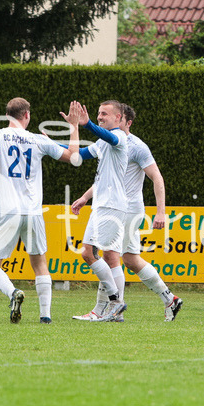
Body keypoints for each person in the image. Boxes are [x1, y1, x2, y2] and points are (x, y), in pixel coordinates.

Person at [0, 98, 80, 324]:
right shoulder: (38, 139)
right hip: (32, 212)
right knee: (39, 263)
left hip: (7, 210)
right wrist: (74, 127)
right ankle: (45, 316)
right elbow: (73, 157)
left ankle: (13, 293)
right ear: (27, 116)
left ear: (7, 116)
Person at [71, 104, 182, 322]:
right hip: (116, 205)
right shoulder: (106, 141)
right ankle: (169, 299)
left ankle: (109, 309)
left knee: (109, 256)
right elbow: (105, 177)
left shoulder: (136, 146)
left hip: (126, 208)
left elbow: (157, 178)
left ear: (125, 122)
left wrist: (161, 212)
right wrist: (85, 197)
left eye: (112, 118)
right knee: (131, 259)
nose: (105, 121)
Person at [67, 100, 131, 322]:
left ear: (118, 118)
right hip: (102, 205)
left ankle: (115, 302)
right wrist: (49, 145)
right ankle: (109, 311)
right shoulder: (102, 143)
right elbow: (78, 157)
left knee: (88, 253)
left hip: (111, 206)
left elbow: (111, 137)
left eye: (105, 114)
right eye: (98, 113)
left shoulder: (119, 138)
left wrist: (87, 124)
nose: (101, 116)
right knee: (110, 257)